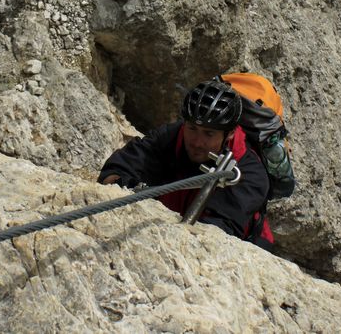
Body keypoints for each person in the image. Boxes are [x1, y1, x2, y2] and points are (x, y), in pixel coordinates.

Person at [98, 77, 274, 248]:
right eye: (192, 128)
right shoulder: (171, 137)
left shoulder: (250, 175)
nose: (197, 141)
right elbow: (118, 169)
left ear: (230, 133)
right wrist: (124, 185)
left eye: (209, 134)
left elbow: (219, 232)